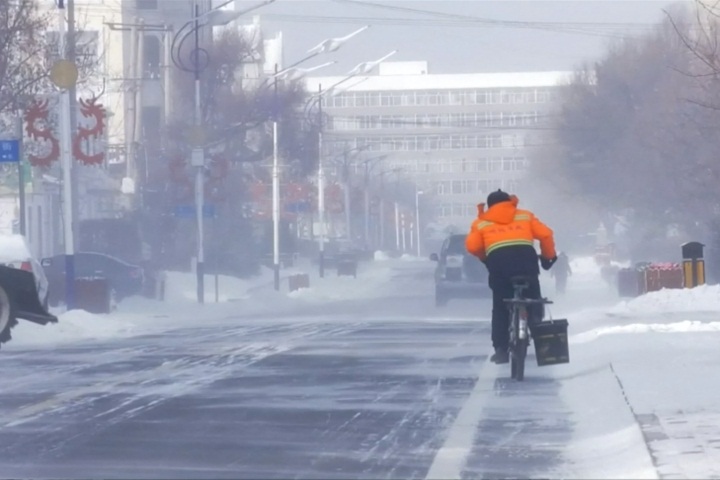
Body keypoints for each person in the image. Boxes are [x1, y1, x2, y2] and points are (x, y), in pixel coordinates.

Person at [465, 189, 557, 364]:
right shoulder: (524, 216)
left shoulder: (481, 222)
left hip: (499, 264)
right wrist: (547, 257)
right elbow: (546, 235)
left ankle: (501, 350)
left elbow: (473, 246)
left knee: (500, 306)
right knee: (533, 299)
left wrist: (486, 258)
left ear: (490, 206)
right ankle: (541, 338)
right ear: (510, 202)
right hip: (526, 261)